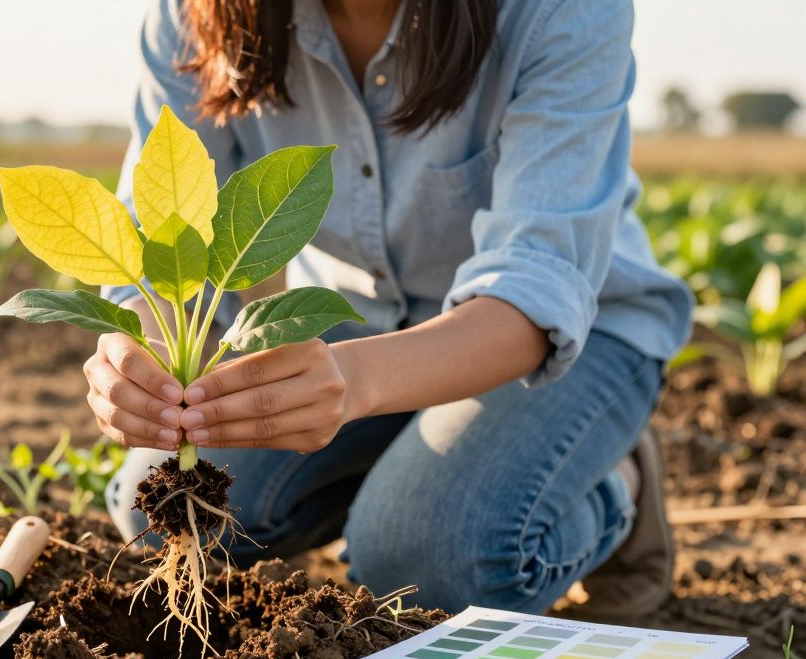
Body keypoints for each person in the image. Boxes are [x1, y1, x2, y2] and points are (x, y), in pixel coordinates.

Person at [91, 0, 693, 617]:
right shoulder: (198, 13)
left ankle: (619, 482)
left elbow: (534, 285)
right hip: (356, 329)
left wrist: (356, 383)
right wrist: (143, 344)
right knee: (168, 506)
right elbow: (160, 237)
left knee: (425, 564)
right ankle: (409, 465)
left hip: (564, 337)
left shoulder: (560, 11)